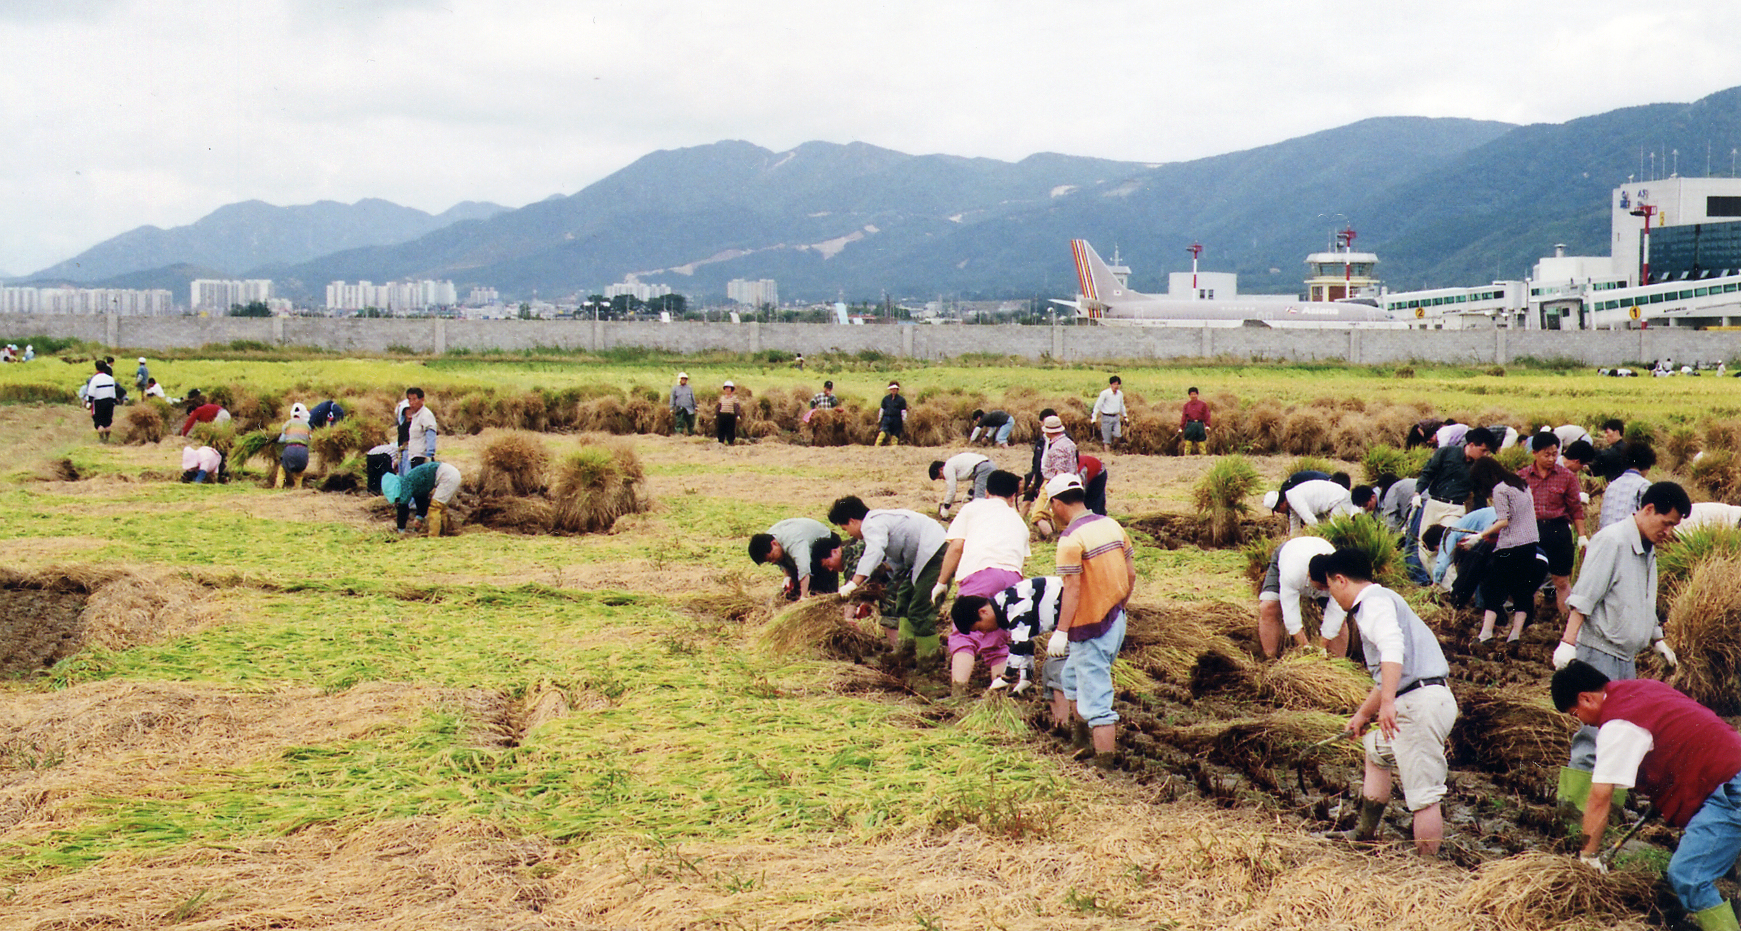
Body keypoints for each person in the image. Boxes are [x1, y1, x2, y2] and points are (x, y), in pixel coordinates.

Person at [1552, 661, 1741, 931]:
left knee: (1689, 877)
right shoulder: (1643, 688)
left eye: (1575, 713)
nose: (1580, 721)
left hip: (1730, 788)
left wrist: (1588, 857)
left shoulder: (1618, 723)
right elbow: (1677, 735)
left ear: (1586, 698)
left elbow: (1599, 797)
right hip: (1730, 768)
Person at [1552, 481, 1690, 813]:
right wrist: (1568, 643)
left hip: (1625, 657)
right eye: (1666, 522)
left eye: (1674, 526)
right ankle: (1574, 813)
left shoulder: (1648, 549)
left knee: (1619, 736)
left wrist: (1657, 638)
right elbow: (1584, 598)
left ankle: (1605, 810)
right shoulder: (1612, 541)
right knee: (1593, 736)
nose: (1668, 531)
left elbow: (1644, 599)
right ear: (1648, 509)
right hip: (1599, 653)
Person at [1309, 548, 1457, 856]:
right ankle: (1365, 833)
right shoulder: (1379, 602)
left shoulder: (1374, 604)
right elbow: (1387, 674)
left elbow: (1393, 650)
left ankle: (1427, 874)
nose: (1333, 596)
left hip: (1418, 705)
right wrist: (1364, 714)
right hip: (1419, 698)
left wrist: (1388, 702)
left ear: (1340, 580)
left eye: (1331, 587)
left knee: (1423, 795)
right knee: (1375, 751)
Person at [1046, 472, 1135, 769]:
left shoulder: (1071, 539)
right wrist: (1120, 605)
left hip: (1090, 627)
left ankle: (1105, 765)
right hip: (1115, 619)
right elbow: (1131, 573)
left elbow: (1071, 588)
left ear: (1057, 503)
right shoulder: (1110, 524)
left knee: (1096, 697)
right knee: (1072, 679)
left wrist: (1060, 632)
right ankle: (1080, 741)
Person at [830, 495, 948, 661]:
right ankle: (906, 650)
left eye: (845, 529)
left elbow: (874, 552)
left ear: (852, 521)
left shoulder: (872, 524)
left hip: (935, 552)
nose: (848, 534)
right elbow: (891, 563)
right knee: (904, 598)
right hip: (920, 559)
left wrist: (853, 584)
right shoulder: (879, 522)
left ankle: (930, 658)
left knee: (920, 609)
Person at [1468, 457, 1543, 651]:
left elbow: (1504, 521)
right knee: (1522, 591)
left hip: (1510, 546)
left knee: (1493, 588)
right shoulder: (1521, 484)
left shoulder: (1500, 489)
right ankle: (1515, 635)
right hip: (1530, 544)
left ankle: (1486, 634)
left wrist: (1481, 535)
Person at [950, 576, 1061, 698]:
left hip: (1077, 610)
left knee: (1055, 670)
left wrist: (1006, 677)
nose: (984, 632)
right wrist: (1026, 679)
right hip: (1067, 617)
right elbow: (1027, 644)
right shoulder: (1004, 605)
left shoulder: (1013, 606)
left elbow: (1020, 645)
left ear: (983, 612)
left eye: (979, 628)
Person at [933, 470, 1029, 608]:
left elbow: (957, 546)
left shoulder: (972, 508)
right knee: (1002, 626)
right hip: (1013, 579)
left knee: (969, 626)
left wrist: (941, 583)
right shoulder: (1019, 522)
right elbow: (1019, 561)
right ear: (1013, 497)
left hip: (980, 574)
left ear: (986, 492)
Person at [1520, 431, 1586, 618]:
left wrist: (1582, 536)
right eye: (1546, 455)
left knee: (1561, 579)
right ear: (1534, 453)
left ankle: (1565, 621)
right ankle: (1526, 621)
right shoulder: (1523, 476)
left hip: (1558, 531)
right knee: (1529, 579)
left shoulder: (1567, 477)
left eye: (1554, 454)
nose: (1551, 459)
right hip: (1531, 530)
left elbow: (1575, 508)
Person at [1413, 426, 1497, 563]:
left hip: (1455, 509)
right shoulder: (1446, 453)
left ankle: (1451, 584)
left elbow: (1480, 496)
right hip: (1434, 504)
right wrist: (1417, 492)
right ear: (1471, 445)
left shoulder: (1480, 468)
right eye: (1483, 450)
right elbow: (1428, 472)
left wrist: (1477, 521)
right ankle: (1437, 582)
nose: (1485, 454)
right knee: (1425, 550)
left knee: (1447, 547)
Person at [1255, 535, 1339, 658]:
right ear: (1309, 577)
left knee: (1340, 623)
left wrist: (1322, 646)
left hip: (1320, 549)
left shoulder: (1338, 577)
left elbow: (1337, 613)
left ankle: (1338, 664)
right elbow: (1291, 614)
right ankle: (1270, 659)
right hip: (1288, 552)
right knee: (1268, 607)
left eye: (1327, 587)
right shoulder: (1292, 573)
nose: (1324, 590)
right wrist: (1306, 647)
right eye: (1321, 587)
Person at [749, 518, 840, 600]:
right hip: (802, 550)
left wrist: (804, 597)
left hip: (824, 546)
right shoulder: (768, 540)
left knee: (822, 593)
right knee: (794, 591)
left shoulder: (793, 542)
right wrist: (787, 577)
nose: (773, 562)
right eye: (769, 561)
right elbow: (781, 561)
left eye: (771, 558)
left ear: (774, 543)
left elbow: (804, 569)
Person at [1029, 415, 1079, 537]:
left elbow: (1059, 471)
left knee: (1038, 514)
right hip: (1072, 480)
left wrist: (1056, 490)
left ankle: (1052, 538)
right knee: (1062, 517)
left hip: (1054, 482)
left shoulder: (1057, 448)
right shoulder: (1069, 443)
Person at [1263, 477, 1356, 537]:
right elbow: (1294, 525)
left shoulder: (1295, 499)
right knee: (1326, 529)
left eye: (1277, 510)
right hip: (1333, 503)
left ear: (1281, 504)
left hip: (1341, 500)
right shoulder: (1291, 499)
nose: (1279, 513)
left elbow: (1311, 521)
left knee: (1333, 533)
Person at [395, 459, 463, 536]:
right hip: (451, 472)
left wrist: (401, 529)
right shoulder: (414, 482)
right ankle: (443, 532)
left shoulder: (406, 484)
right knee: (442, 508)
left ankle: (433, 536)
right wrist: (419, 517)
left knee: (435, 508)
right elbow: (421, 498)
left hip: (447, 477)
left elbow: (403, 507)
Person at [1598, 443, 1654, 531]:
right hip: (1627, 538)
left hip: (1605, 536)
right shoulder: (1644, 485)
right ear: (1647, 465)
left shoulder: (1612, 485)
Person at [930, 451, 994, 518]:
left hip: (984, 470)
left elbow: (952, 490)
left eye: (940, 477)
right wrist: (970, 493)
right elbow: (976, 477)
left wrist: (946, 507)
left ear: (941, 469)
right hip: (990, 465)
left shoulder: (947, 468)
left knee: (978, 503)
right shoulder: (953, 462)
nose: (943, 479)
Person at [401, 387, 438, 475]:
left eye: (414, 399)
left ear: (422, 399)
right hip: (414, 456)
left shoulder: (426, 415)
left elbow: (431, 435)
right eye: (409, 400)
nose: (412, 403)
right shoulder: (415, 416)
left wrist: (429, 455)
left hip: (421, 458)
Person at [278, 403, 313, 490]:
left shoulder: (287, 424)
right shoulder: (307, 426)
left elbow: (282, 440)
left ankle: (278, 487)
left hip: (290, 450)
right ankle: (297, 488)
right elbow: (309, 440)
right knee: (299, 473)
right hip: (303, 451)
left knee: (282, 469)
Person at [85, 360, 117, 443]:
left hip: (98, 403)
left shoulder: (94, 379)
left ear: (96, 368)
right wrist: (113, 402)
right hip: (109, 402)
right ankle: (107, 439)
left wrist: (88, 404)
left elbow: (91, 393)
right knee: (107, 423)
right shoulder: (111, 379)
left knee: (99, 423)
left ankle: (101, 440)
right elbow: (113, 393)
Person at [1091, 375, 1126, 448]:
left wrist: (1125, 416)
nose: (1116, 386)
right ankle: (1108, 455)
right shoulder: (1105, 393)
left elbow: (1122, 405)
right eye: (1114, 384)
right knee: (1107, 440)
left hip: (1116, 417)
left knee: (1118, 435)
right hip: (1106, 417)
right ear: (1111, 384)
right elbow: (1098, 405)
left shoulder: (1120, 394)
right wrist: (1094, 417)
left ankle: (1114, 448)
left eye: (1117, 384)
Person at [1180, 387, 1211, 454]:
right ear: (1189, 395)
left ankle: (1203, 456)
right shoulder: (1186, 406)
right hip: (1190, 425)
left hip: (1199, 425)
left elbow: (1206, 415)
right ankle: (1186, 456)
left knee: (1201, 442)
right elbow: (1184, 417)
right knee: (1188, 442)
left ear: (1197, 395)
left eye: (1195, 394)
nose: (1193, 396)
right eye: (1192, 394)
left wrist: (1207, 425)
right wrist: (1181, 427)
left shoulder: (1203, 405)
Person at [875, 382, 907, 446]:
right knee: (882, 433)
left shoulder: (901, 400)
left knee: (895, 435)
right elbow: (882, 409)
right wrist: (879, 419)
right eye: (892, 389)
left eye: (895, 389)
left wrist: (904, 420)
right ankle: (876, 447)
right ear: (890, 390)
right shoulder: (885, 399)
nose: (893, 390)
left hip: (897, 419)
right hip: (886, 418)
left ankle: (893, 449)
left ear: (897, 390)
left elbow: (903, 411)